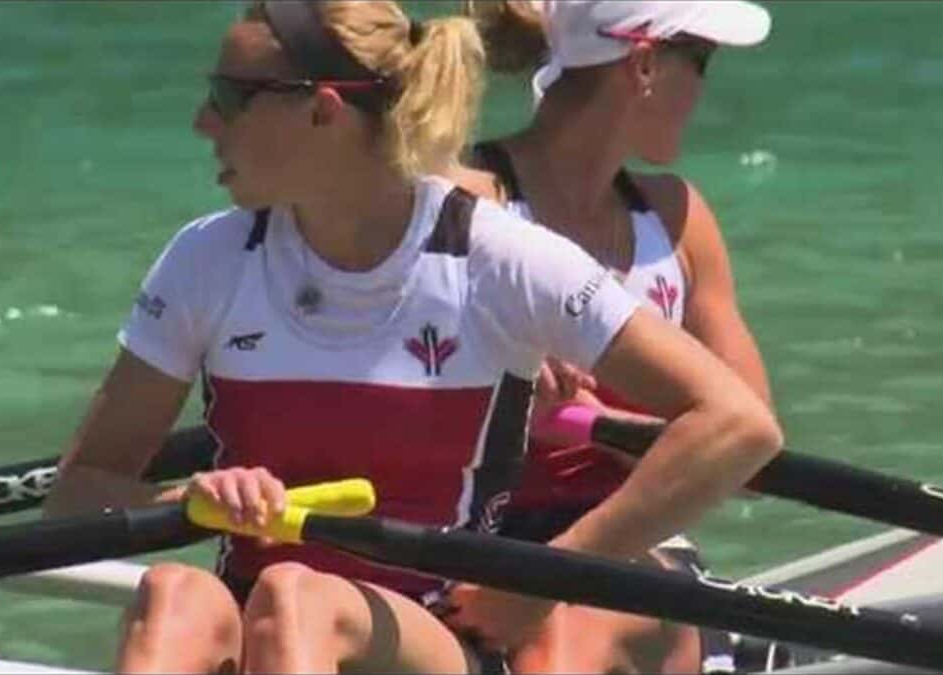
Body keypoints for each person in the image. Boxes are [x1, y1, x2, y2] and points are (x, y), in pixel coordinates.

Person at [44, 1, 782, 673]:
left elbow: (738, 424)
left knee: (300, 596)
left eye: (231, 97)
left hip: (440, 630)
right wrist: (194, 494)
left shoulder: (497, 258)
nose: (204, 121)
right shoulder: (204, 258)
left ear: (323, 113)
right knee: (175, 593)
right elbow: (77, 496)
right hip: (261, 610)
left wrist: (546, 578)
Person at [455, 1, 776, 672]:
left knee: (563, 643)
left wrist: (604, 424)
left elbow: (754, 464)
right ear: (646, 63)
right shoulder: (467, 203)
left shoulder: (677, 219)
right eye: (703, 60)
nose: (705, 89)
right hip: (471, 538)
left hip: (631, 536)